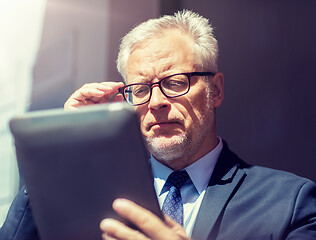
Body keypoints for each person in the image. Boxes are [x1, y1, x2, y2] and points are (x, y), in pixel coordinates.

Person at [1, 10, 316, 240]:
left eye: (176, 82)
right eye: (139, 90)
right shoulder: (86, 197)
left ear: (215, 90)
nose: (155, 102)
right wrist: (62, 162)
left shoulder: (291, 204)